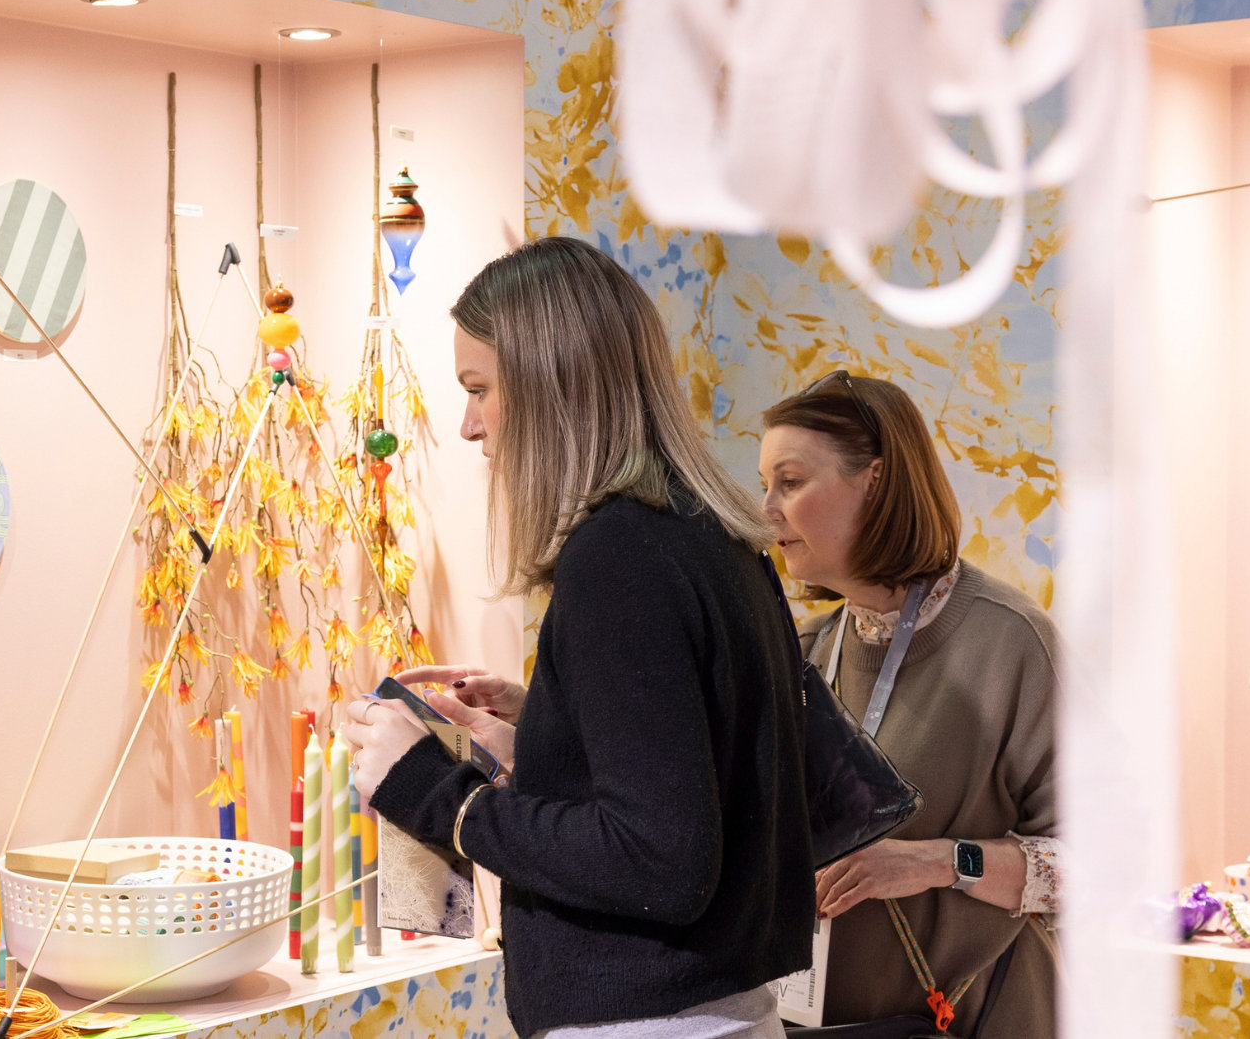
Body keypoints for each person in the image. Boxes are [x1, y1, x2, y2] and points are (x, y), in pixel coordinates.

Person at [344, 236, 815, 1039]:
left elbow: (662, 861)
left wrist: (431, 789)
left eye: (480, 389)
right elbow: (692, 773)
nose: (467, 424)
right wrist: (551, 734)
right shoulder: (713, 536)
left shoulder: (618, 556)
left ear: (548, 383)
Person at [756, 370, 1060, 1038]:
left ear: (877, 480)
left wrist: (935, 862)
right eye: (765, 486)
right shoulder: (803, 652)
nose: (766, 511)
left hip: (981, 1021)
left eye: (791, 481)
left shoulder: (1014, 645)